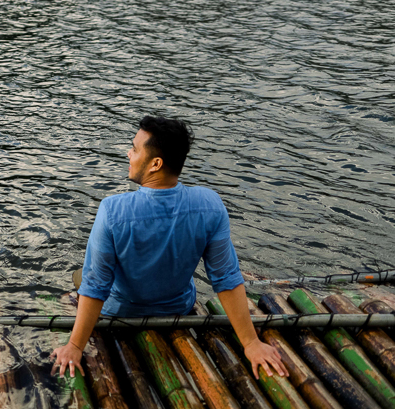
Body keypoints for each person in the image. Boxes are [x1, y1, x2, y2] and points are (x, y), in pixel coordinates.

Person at [51, 116, 287, 380]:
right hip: (177, 308)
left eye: (135, 149)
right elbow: (226, 278)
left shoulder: (112, 210)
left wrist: (75, 346)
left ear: (155, 164)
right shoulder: (209, 205)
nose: (128, 153)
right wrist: (251, 343)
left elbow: (96, 285)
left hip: (120, 312)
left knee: (81, 277)